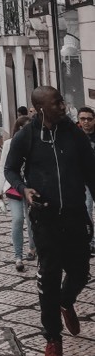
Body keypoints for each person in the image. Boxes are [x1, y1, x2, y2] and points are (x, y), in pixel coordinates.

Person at [5, 86, 95, 356]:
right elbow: (10, 169)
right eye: (57, 102)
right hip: (45, 219)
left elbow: (91, 172)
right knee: (49, 278)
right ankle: (52, 339)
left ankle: (66, 301)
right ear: (41, 108)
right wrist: (24, 189)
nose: (63, 105)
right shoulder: (27, 136)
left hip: (76, 215)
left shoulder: (74, 134)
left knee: (81, 272)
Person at [0, 116, 37, 271]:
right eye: (23, 128)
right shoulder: (9, 144)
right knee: (18, 219)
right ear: (18, 129)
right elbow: (3, 167)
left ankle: (32, 249)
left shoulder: (36, 144)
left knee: (32, 220)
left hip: (32, 188)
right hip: (13, 187)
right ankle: (18, 256)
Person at [77, 105, 95, 256]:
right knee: (87, 209)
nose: (86, 122)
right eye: (83, 119)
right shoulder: (75, 136)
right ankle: (90, 241)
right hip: (83, 180)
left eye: (89, 119)